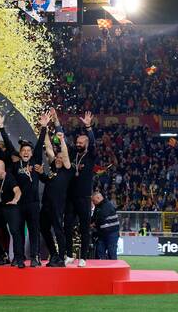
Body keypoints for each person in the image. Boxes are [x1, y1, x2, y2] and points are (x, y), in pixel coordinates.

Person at [0, 112, 48, 267]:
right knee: (17, 232)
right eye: (23, 151)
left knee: (34, 231)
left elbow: (40, 144)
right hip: (18, 204)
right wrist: (1, 127)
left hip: (33, 204)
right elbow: (8, 143)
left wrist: (44, 127)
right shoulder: (15, 165)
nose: (26, 152)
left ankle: (35, 257)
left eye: (28, 151)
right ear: (19, 154)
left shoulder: (35, 162)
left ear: (32, 153)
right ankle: (18, 257)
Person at [62, 111, 97, 268]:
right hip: (70, 197)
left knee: (84, 228)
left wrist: (88, 126)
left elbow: (95, 144)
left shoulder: (90, 156)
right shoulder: (73, 154)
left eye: (82, 142)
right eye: (78, 142)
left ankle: (83, 257)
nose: (78, 144)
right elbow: (63, 143)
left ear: (87, 144)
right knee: (67, 226)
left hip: (84, 197)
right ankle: (69, 255)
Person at [40, 128, 73, 267]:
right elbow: (48, 148)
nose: (59, 159)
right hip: (46, 204)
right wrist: (45, 129)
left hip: (58, 205)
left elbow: (64, 154)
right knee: (43, 228)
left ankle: (61, 257)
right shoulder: (53, 166)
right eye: (57, 157)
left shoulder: (68, 169)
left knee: (58, 231)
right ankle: (53, 254)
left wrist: (61, 140)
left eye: (61, 158)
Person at [0, 160, 24, 268]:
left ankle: (18, 258)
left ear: (2, 169)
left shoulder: (9, 177)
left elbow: (18, 190)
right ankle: (1, 255)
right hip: (0, 207)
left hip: (11, 206)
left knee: (15, 231)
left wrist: (15, 199)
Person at [91, 191, 120, 260]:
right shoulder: (98, 207)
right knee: (100, 252)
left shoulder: (107, 205)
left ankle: (113, 269)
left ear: (98, 198)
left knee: (111, 253)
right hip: (102, 234)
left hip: (111, 233)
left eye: (94, 200)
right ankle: (102, 269)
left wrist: (93, 224)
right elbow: (94, 218)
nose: (93, 203)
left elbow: (101, 217)